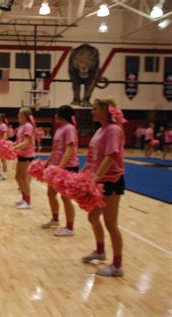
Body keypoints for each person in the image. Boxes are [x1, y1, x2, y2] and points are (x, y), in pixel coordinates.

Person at [82, 96, 126, 277]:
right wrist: (84, 173)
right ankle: (100, 252)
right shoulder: (101, 130)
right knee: (93, 217)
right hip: (98, 180)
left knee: (110, 223)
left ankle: (117, 265)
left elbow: (110, 156)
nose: (92, 111)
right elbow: (94, 157)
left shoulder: (113, 130)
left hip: (110, 181)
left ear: (105, 110)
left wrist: (97, 178)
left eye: (95, 108)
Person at [41, 105, 79, 236]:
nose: (55, 116)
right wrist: (48, 161)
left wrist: (61, 167)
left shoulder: (69, 128)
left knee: (65, 197)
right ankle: (55, 219)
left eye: (57, 113)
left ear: (62, 115)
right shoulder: (59, 129)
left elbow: (70, 149)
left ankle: (70, 228)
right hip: (56, 166)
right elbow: (56, 149)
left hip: (67, 167)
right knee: (51, 193)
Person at [12, 107, 36, 209]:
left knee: (24, 178)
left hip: (27, 155)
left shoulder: (28, 126)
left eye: (20, 114)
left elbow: (26, 142)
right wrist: (9, 145)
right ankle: (23, 198)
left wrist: (13, 148)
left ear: (25, 116)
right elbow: (19, 141)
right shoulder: (22, 126)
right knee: (18, 177)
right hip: (21, 154)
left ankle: (28, 202)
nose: (18, 116)